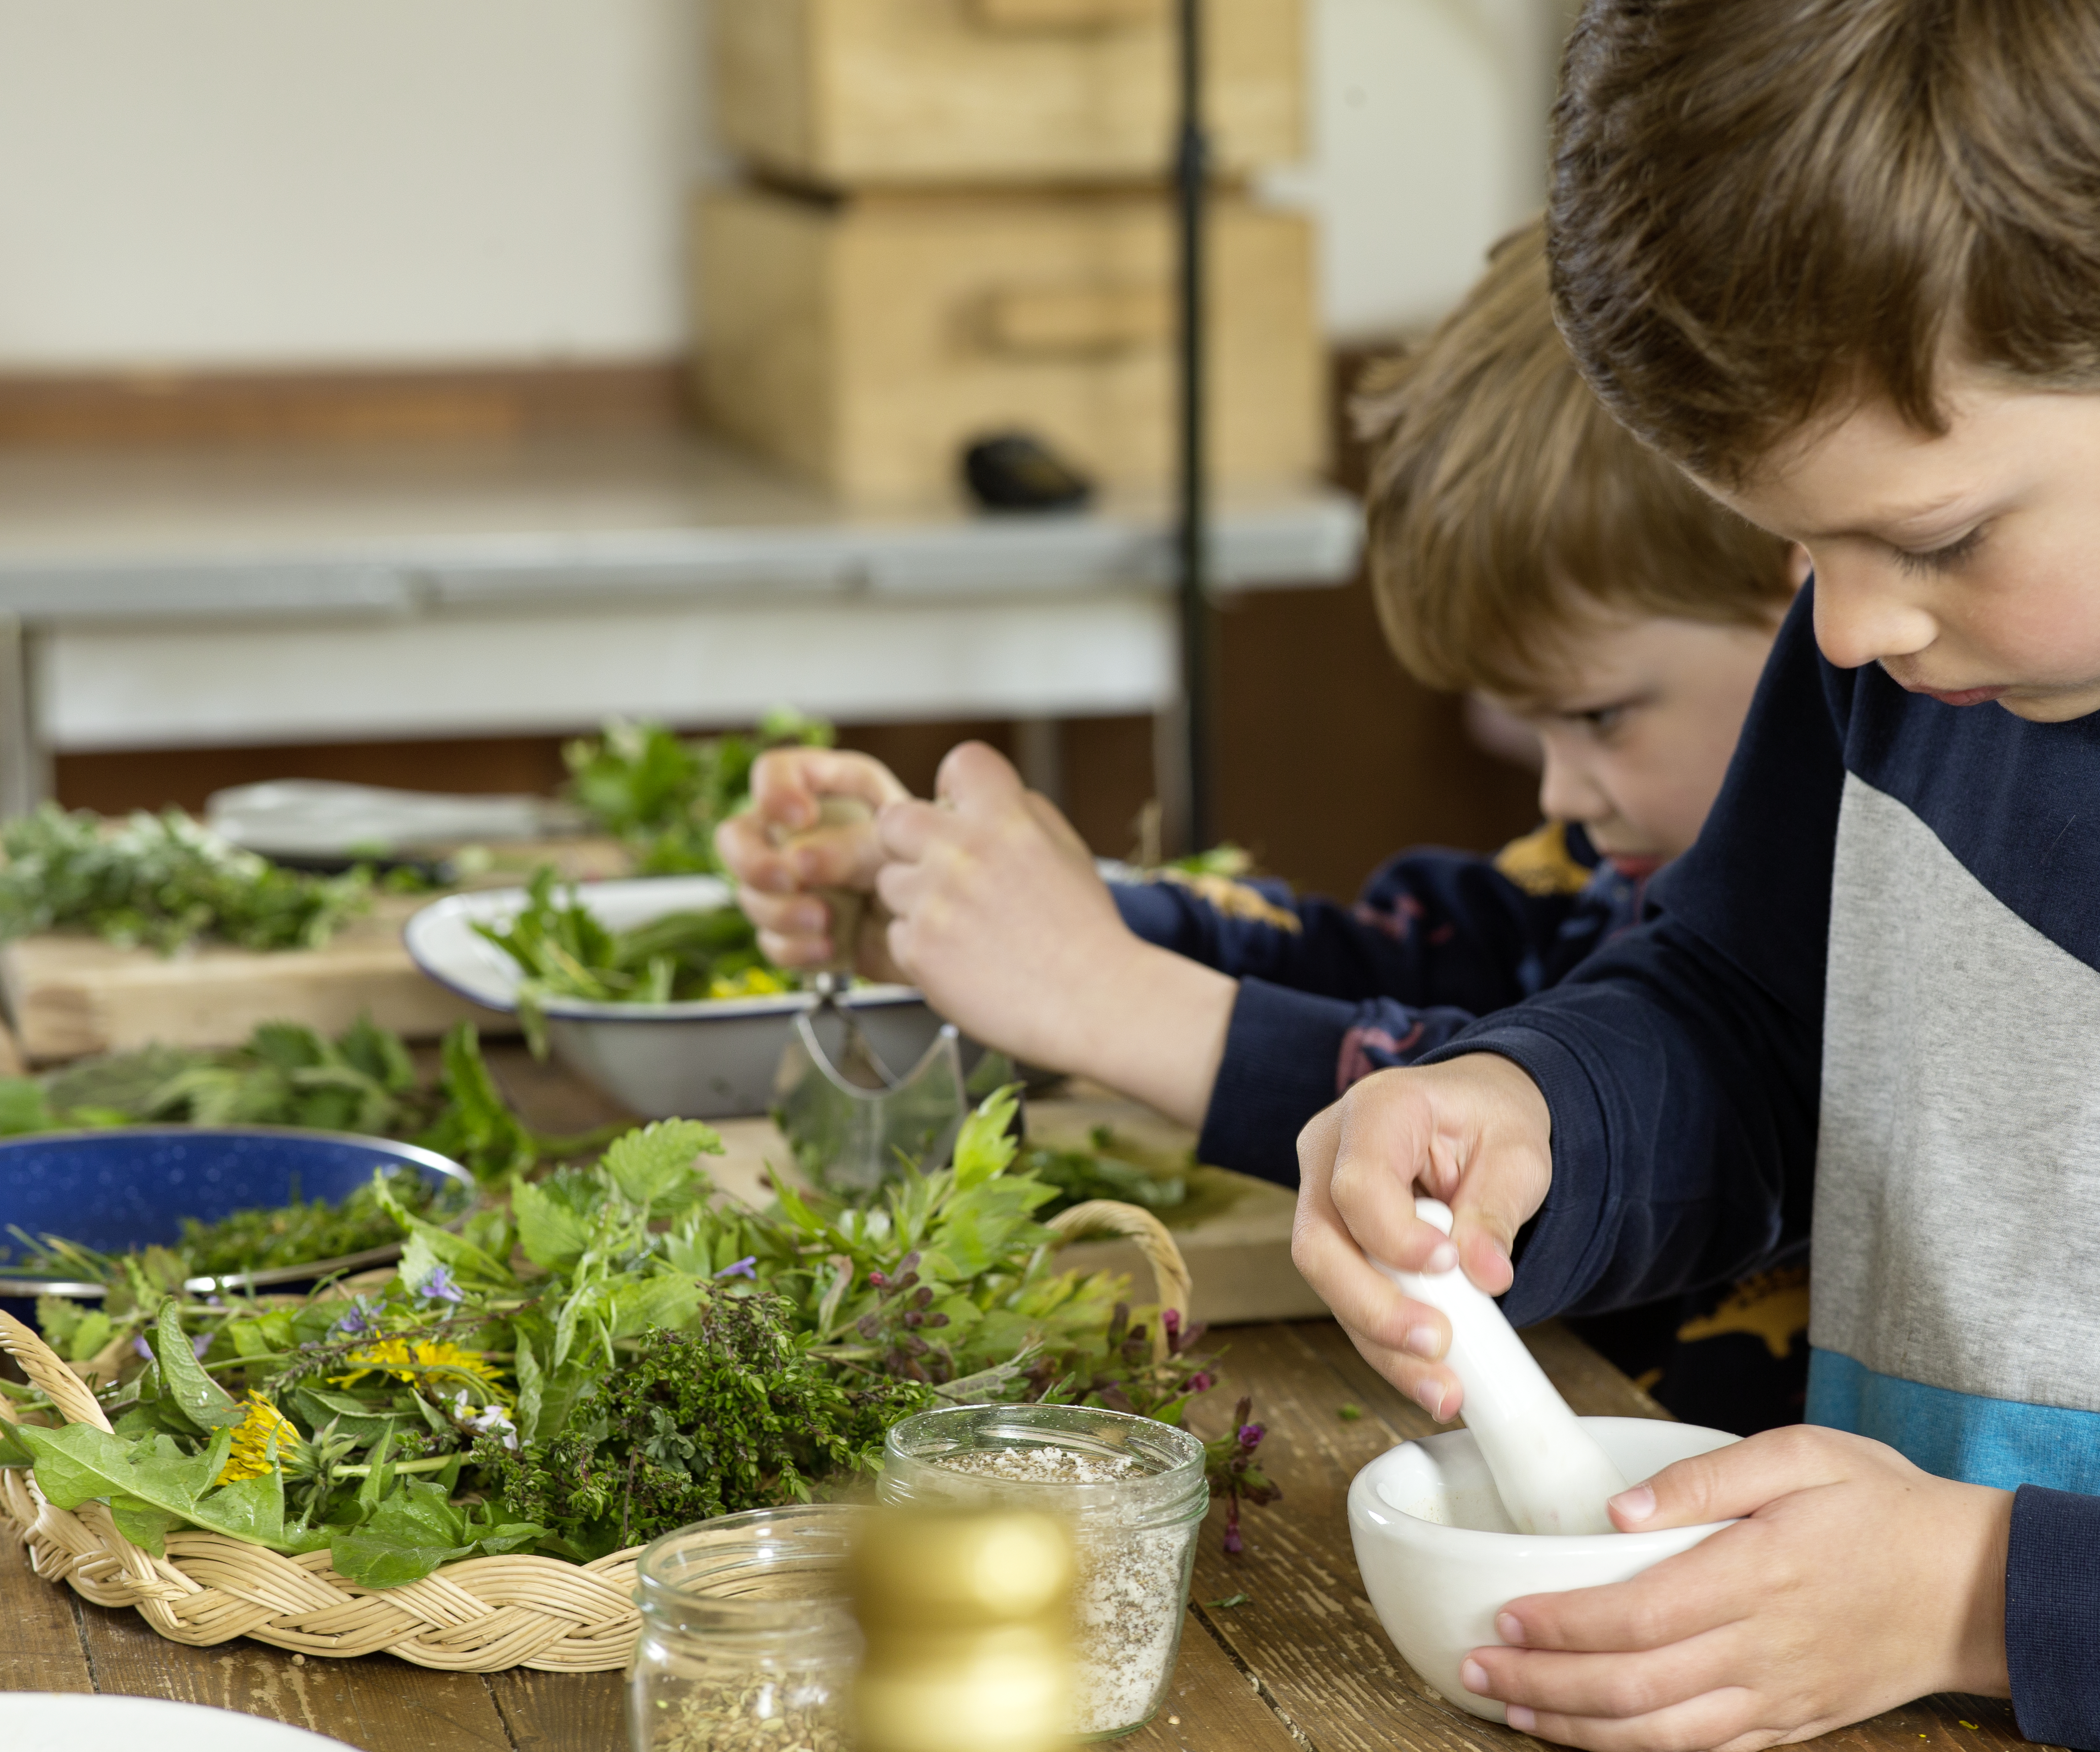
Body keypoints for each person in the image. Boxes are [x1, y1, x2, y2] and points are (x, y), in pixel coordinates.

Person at [1288, 4, 2100, 1749]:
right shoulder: (1932, 646)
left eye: (1930, 536)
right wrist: (1542, 1115)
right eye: (1797, 540)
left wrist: (1976, 1597)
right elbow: (1753, 1024)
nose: (1843, 628)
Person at [716, 223, 1806, 1428]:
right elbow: (1393, 969)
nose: (1560, 793)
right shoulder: (1600, 867)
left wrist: (1107, 996)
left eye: (1600, 715)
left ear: (1811, 586)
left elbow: (1474, 1097)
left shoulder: (1844, 941)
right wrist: (1023, 919)